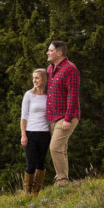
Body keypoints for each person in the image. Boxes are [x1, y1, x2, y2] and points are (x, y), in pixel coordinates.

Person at [44, 40, 81, 186]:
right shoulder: (50, 69)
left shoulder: (70, 69)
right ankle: (64, 180)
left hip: (67, 116)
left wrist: (68, 118)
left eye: (50, 50)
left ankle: (61, 179)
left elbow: (73, 94)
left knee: (55, 147)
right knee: (61, 148)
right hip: (52, 116)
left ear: (59, 53)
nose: (47, 52)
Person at [19, 68, 49, 194]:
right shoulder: (28, 95)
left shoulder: (49, 95)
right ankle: (27, 192)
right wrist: (23, 135)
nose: (34, 80)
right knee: (30, 165)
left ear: (44, 79)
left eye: (37, 78)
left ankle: (36, 193)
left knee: (40, 164)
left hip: (45, 133)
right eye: (33, 78)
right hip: (31, 133)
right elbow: (24, 116)